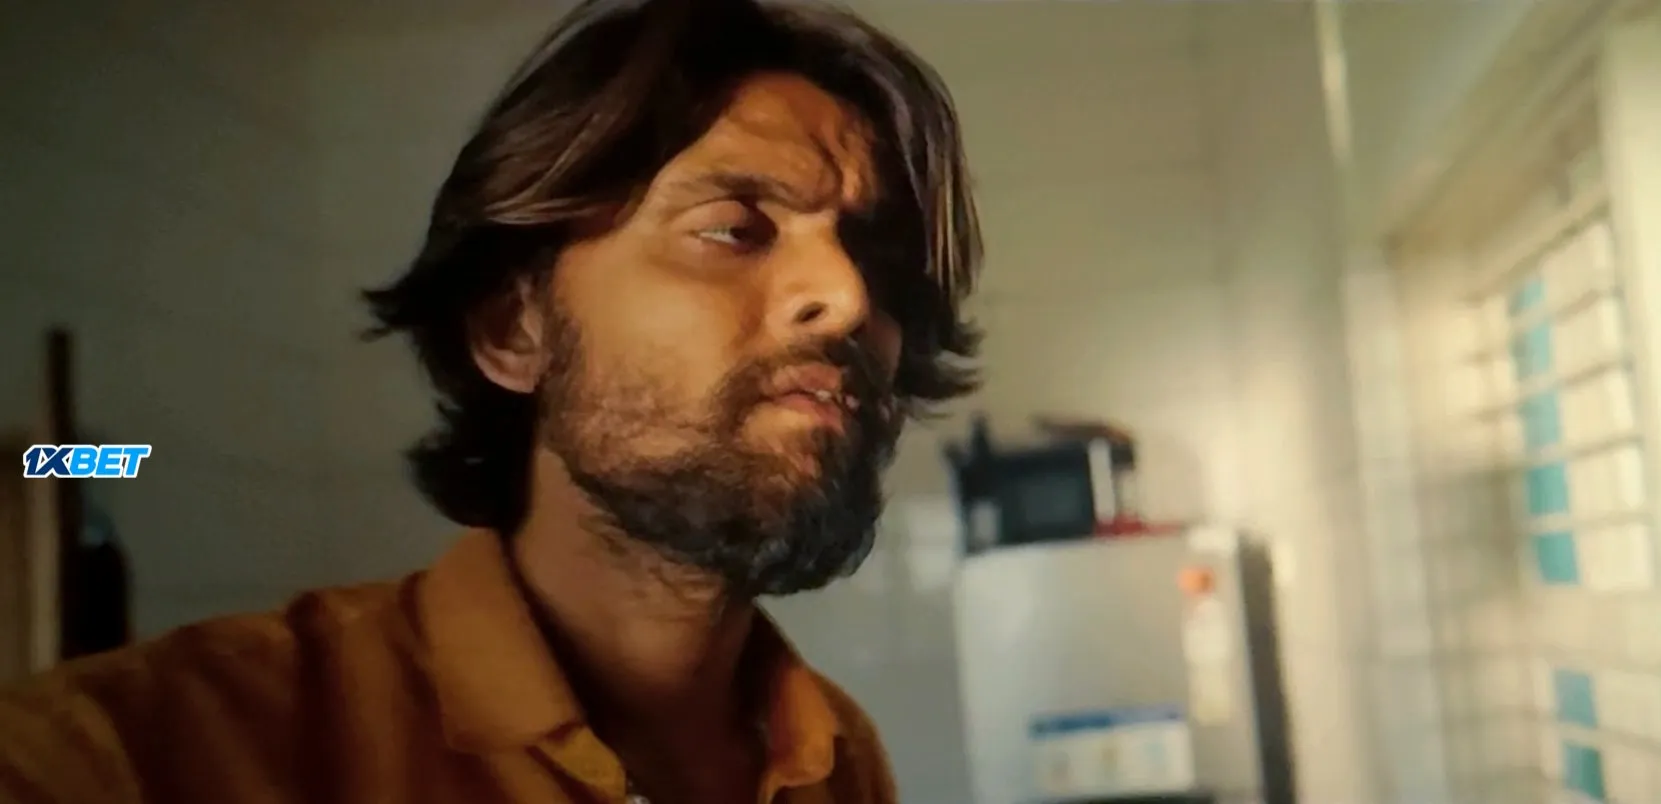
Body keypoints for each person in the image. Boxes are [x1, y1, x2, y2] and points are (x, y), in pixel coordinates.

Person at [0, 0, 981, 800]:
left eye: (876, 256)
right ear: (516, 330)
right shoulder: (137, 756)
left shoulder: (836, 758)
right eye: (735, 228)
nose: (850, 296)